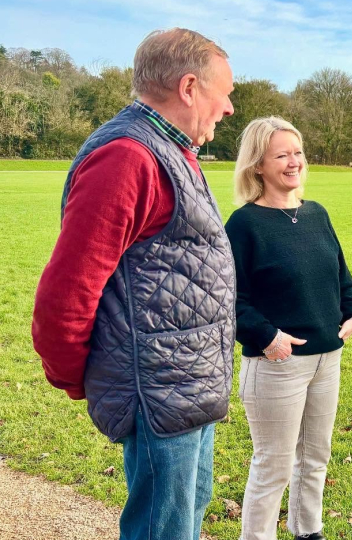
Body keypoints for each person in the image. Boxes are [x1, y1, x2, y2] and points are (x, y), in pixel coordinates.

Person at [32, 28, 235, 540]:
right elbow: (66, 293)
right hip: (157, 390)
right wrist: (78, 377)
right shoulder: (128, 157)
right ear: (189, 88)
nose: (229, 107)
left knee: (182, 520)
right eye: (224, 91)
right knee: (162, 530)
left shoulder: (170, 150)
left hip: (184, 385)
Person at [224, 116, 352, 540]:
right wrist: (267, 337)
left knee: (315, 457)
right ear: (258, 166)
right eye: (281, 155)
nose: (293, 162)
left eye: (297, 153)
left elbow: (340, 273)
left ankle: (309, 531)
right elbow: (230, 298)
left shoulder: (317, 214)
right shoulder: (244, 225)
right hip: (277, 364)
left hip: (328, 358)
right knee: (274, 465)